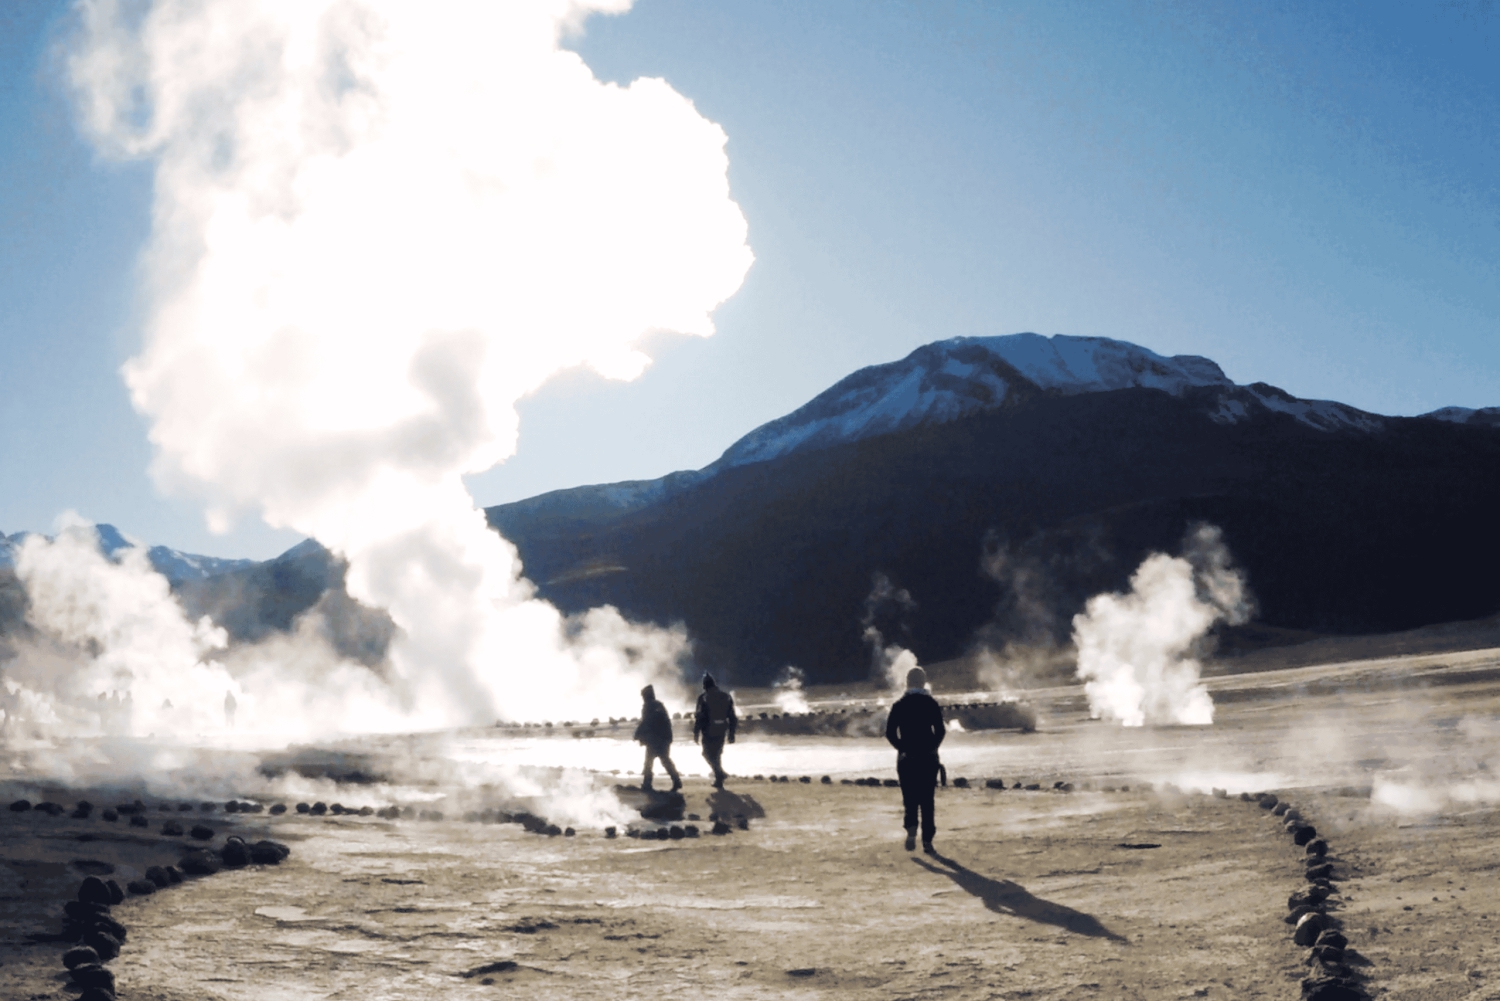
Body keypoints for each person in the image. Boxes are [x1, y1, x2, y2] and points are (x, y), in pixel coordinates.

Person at [885, 665, 945, 854]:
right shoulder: (931, 704)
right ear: (923, 682)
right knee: (927, 799)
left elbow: (889, 733)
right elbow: (941, 731)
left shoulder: (899, 705)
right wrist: (932, 747)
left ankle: (911, 831)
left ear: (907, 683)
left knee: (909, 797)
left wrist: (902, 748)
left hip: (906, 758)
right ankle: (927, 839)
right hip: (928, 758)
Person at [633, 684, 681, 792]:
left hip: (655, 739)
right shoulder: (659, 705)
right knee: (665, 760)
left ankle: (647, 784)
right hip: (664, 737)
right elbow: (665, 722)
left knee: (649, 762)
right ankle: (676, 781)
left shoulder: (648, 706)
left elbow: (646, 722)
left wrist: (638, 734)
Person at [693, 674, 737, 789]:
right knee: (717, 755)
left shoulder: (703, 697)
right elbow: (732, 716)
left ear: (704, 685)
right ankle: (719, 778)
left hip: (708, 730)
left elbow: (699, 717)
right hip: (722, 729)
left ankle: (719, 774)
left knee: (706, 754)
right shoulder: (726, 696)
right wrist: (732, 733)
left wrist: (696, 733)